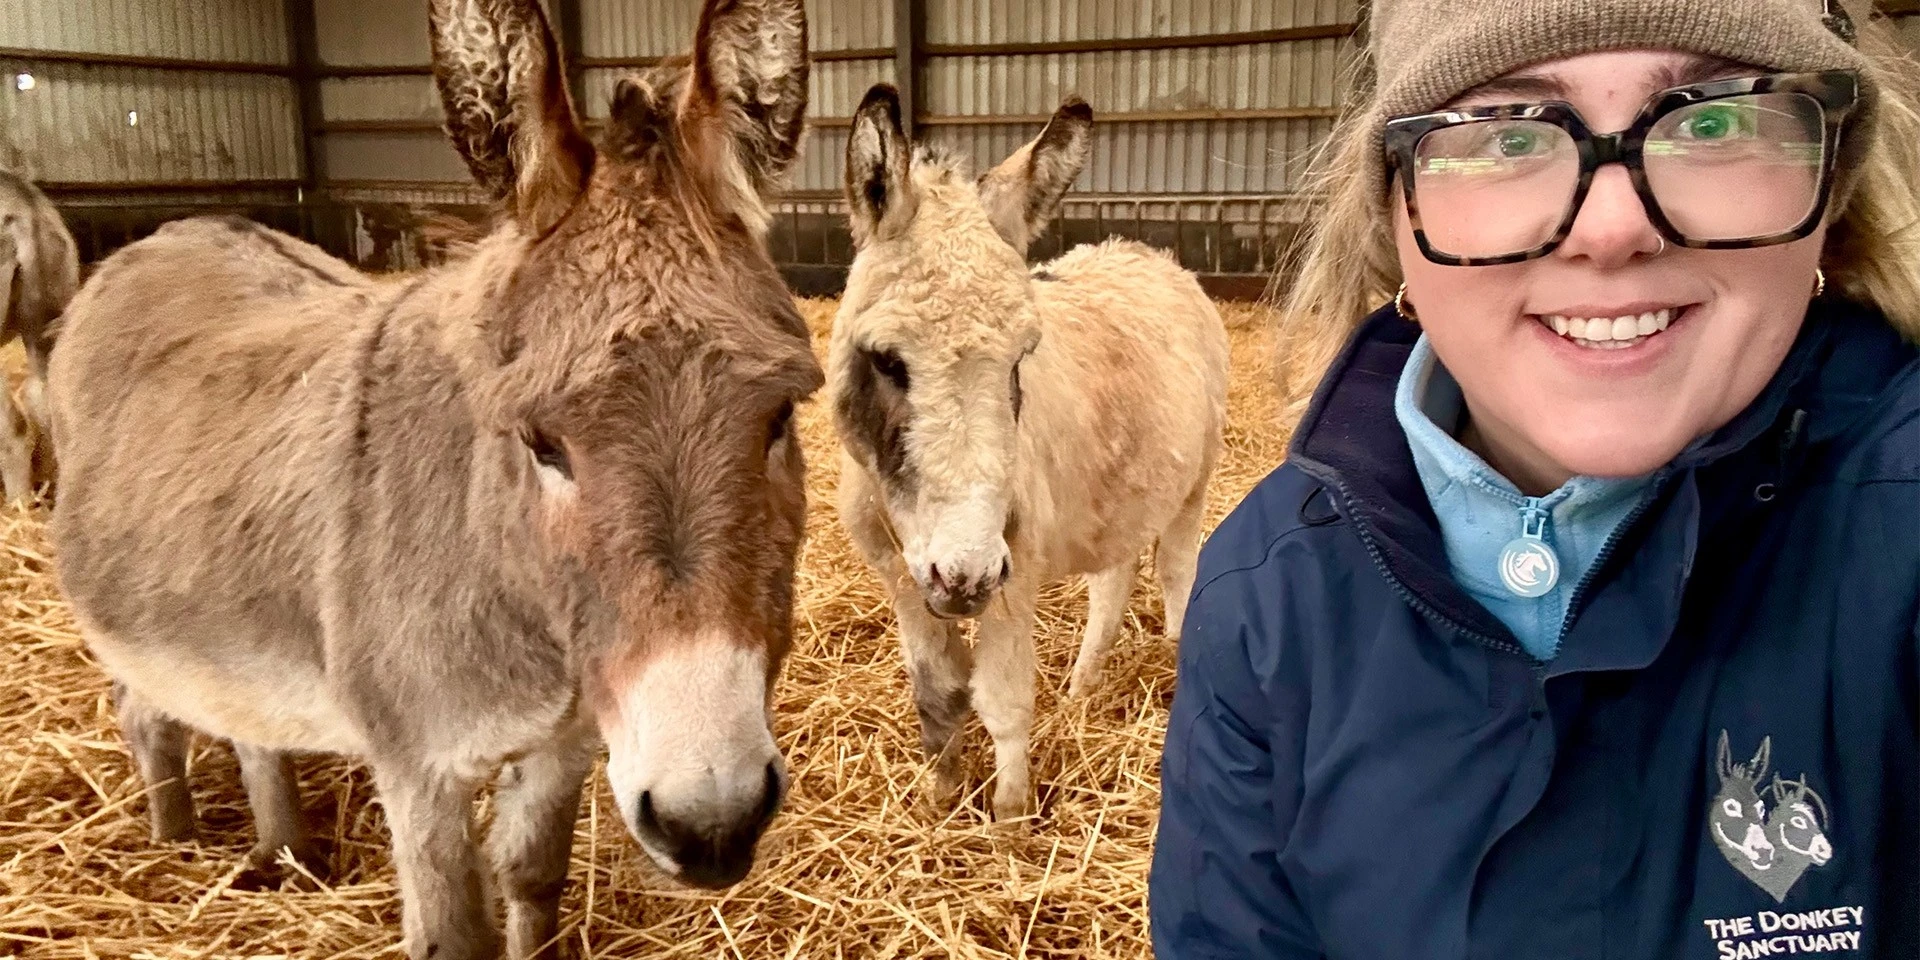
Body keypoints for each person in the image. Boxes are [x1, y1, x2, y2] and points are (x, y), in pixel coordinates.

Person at [1148, 1, 1919, 957]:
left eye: (1714, 119)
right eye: (1506, 135)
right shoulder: (1269, 592)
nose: (1612, 226)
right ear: (1395, 218)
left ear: (1831, 189)